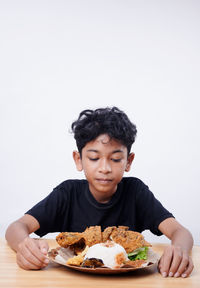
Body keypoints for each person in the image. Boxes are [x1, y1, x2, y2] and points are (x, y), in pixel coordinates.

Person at [5, 106, 194, 277]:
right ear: (78, 159)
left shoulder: (135, 192)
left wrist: (178, 249)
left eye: (116, 159)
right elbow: (16, 228)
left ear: (128, 161)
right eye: (94, 158)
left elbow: (180, 232)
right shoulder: (67, 193)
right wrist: (25, 246)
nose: (105, 168)